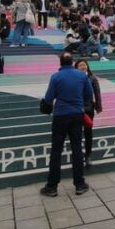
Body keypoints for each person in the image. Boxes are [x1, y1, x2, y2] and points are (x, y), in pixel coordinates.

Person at [40, 53, 92, 197]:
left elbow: (49, 98)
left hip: (60, 115)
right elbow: (89, 94)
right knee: (77, 148)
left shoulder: (56, 77)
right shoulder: (82, 76)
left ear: (61, 63)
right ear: (72, 62)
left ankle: (52, 186)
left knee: (56, 150)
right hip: (77, 115)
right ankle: (79, 184)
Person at [75, 58, 102, 168]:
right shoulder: (73, 78)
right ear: (76, 67)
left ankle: (88, 155)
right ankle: (78, 155)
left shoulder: (92, 78)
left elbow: (97, 93)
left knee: (88, 133)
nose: (83, 67)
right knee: (76, 133)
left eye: (84, 65)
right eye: (80, 65)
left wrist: (98, 107)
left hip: (88, 109)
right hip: (76, 109)